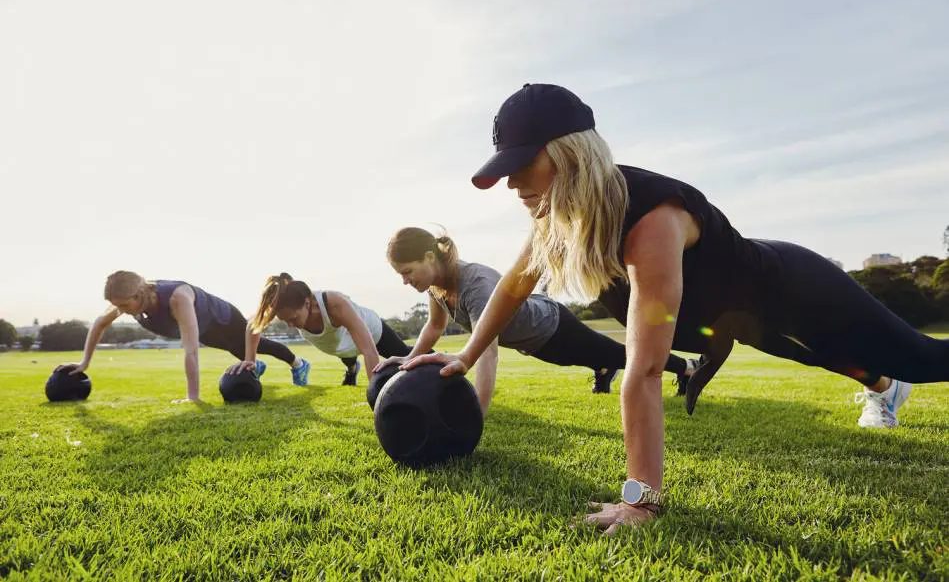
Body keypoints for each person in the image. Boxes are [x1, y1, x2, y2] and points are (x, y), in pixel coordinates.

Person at [402, 83, 947, 533]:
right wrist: (465, 357)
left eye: (522, 165)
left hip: (799, 290)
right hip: (737, 321)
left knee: (925, 360)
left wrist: (641, 501)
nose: (512, 183)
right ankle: (884, 389)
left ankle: (896, 380)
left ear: (569, 155)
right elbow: (514, 288)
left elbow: (642, 369)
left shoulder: (652, 218)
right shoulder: (557, 219)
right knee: (823, 359)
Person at [378, 227, 705, 409]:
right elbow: (434, 326)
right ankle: (603, 370)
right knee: (590, 358)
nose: (406, 282)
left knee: (620, 353)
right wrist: (408, 358)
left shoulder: (474, 283)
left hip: (552, 325)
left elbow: (486, 350)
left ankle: (688, 369)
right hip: (534, 340)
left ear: (429, 256)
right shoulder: (436, 288)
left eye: (407, 272)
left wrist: (478, 410)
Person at [65, 271, 310, 403]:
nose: (122, 311)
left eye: (124, 305)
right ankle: (255, 364)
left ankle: (298, 364)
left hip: (224, 319)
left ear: (140, 293)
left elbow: (191, 350)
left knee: (253, 346)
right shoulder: (131, 302)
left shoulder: (177, 298)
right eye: (117, 305)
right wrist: (84, 362)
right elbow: (99, 324)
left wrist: (192, 397)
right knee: (239, 353)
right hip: (208, 331)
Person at [231, 273, 413, 386]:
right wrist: (250, 360)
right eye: (285, 321)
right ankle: (351, 370)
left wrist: (376, 391)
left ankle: (438, 359)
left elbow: (368, 350)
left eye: (293, 319)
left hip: (373, 334)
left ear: (308, 303)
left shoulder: (334, 304)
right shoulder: (287, 308)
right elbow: (252, 326)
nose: (291, 325)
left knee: (409, 357)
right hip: (339, 346)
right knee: (346, 354)